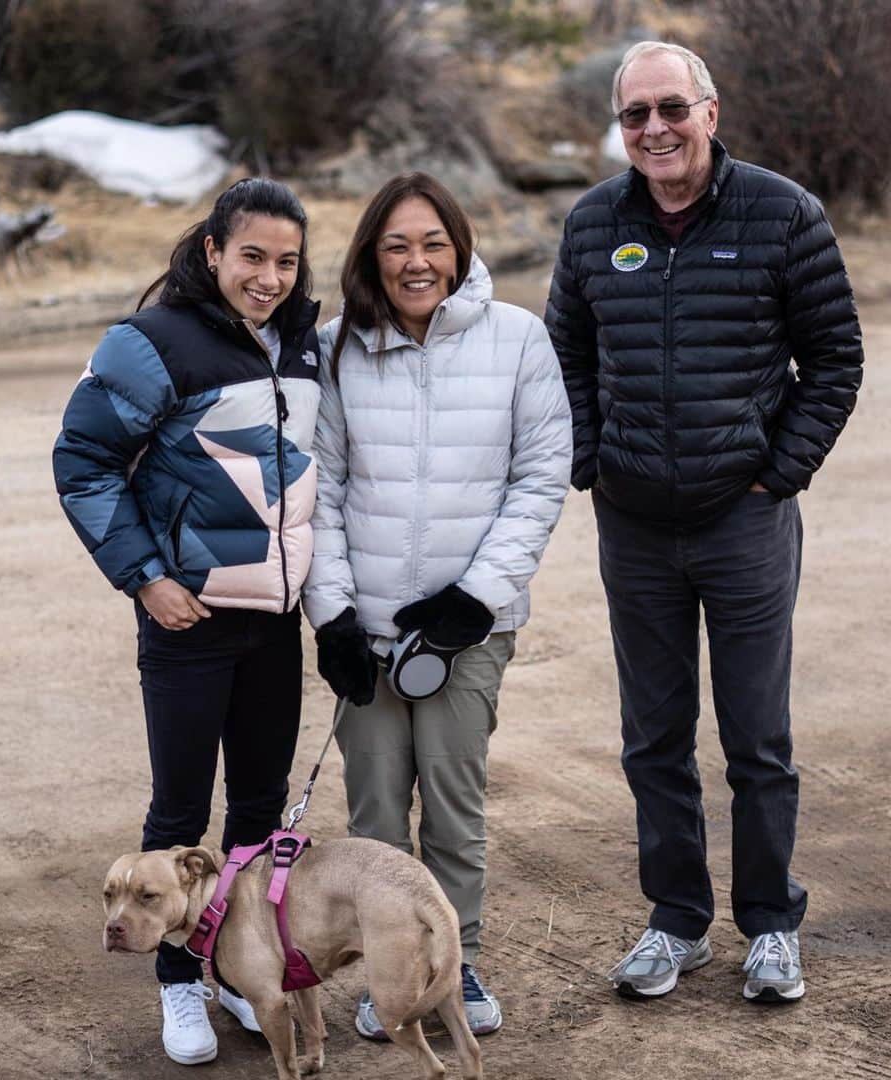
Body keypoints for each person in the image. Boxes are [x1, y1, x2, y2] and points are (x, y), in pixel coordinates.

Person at [545, 41, 863, 1003]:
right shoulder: (595, 223)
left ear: (710, 112)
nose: (654, 129)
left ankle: (770, 926)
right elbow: (566, 357)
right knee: (654, 738)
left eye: (670, 109)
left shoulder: (781, 213)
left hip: (744, 523)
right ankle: (676, 922)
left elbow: (835, 360)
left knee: (758, 739)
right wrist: (591, 463)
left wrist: (777, 477)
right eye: (635, 114)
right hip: (634, 527)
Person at [53, 178, 322, 1064]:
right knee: (178, 814)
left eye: (286, 260)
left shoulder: (300, 343)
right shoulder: (151, 342)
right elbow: (83, 459)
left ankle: (241, 974)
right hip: (185, 623)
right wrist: (144, 578)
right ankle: (176, 985)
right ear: (212, 251)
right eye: (252, 256)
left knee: (256, 814)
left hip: (273, 625)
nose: (269, 277)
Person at [304, 172, 571, 1038]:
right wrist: (334, 615)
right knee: (377, 816)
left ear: (459, 248)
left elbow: (539, 480)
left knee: (454, 809)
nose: (417, 263)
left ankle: (457, 969)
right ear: (370, 259)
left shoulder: (519, 340)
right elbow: (323, 490)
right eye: (396, 246)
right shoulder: (337, 347)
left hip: (468, 633)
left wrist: (476, 598)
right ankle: (393, 975)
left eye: (432, 244)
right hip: (369, 633)